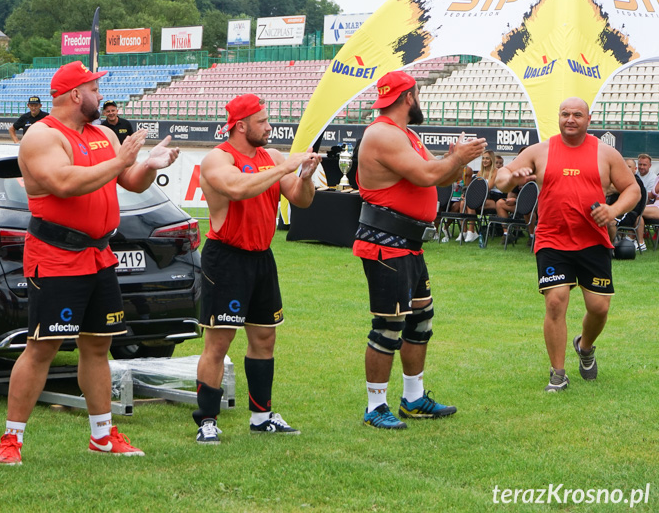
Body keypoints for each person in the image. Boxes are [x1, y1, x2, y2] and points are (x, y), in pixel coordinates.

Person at [0, 61, 179, 464]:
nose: (103, 97)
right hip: (56, 256)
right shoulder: (41, 136)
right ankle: (11, 440)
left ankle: (102, 435)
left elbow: (128, 182)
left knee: (98, 346)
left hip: (99, 255)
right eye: (95, 88)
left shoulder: (104, 134)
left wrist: (149, 165)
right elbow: (64, 182)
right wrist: (122, 160)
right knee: (42, 346)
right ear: (77, 94)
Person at [353, 71, 486, 429]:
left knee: (419, 320)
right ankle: (374, 406)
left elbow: (438, 175)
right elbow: (428, 176)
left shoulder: (405, 135)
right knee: (389, 325)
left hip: (408, 244)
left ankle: (413, 399)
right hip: (386, 242)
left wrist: (456, 160)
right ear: (409, 97)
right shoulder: (382, 134)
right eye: (417, 94)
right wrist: (457, 158)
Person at [193, 93, 320, 444]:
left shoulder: (272, 156)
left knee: (265, 338)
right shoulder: (217, 158)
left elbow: (301, 199)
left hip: (261, 257)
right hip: (227, 257)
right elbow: (236, 188)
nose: (269, 126)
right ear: (241, 126)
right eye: (262, 121)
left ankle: (262, 416)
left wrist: (305, 176)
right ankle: (206, 420)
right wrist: (284, 167)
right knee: (218, 343)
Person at [496, 97, 638, 392]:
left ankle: (584, 347)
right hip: (552, 238)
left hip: (592, 241)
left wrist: (612, 211)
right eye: (564, 114)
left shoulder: (605, 153)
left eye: (576, 114)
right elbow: (501, 179)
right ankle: (557, 374)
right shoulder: (540, 150)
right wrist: (511, 177)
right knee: (555, 302)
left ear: (589, 119)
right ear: (558, 118)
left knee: (598, 307)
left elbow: (633, 189)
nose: (570, 119)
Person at [606, 159, 647, 251]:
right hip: (614, 208)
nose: (626, 169)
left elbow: (612, 188)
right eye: (624, 166)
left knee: (610, 222)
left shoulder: (636, 181)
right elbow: (606, 190)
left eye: (629, 167)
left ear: (635, 169)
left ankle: (609, 248)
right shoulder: (619, 179)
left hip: (629, 212)